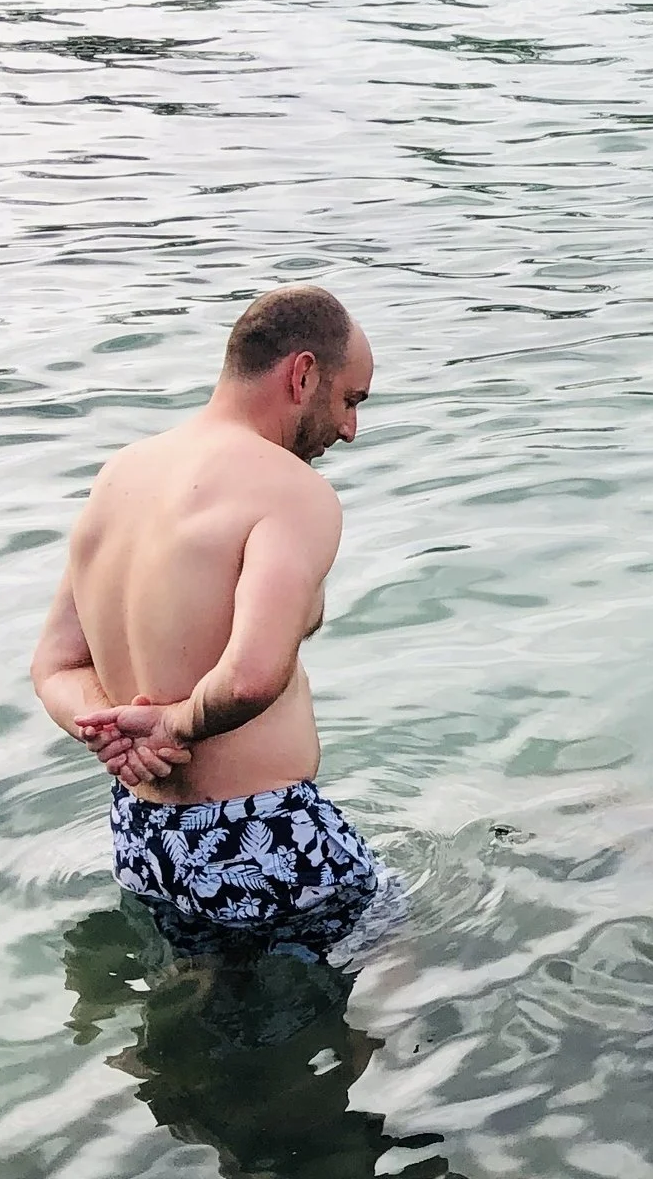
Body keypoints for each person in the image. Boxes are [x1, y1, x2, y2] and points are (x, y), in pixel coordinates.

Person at [29, 285, 388, 962]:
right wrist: (169, 726)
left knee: (201, 1022)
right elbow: (252, 677)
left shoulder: (122, 475)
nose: (349, 431)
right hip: (262, 837)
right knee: (407, 971)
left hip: (143, 836)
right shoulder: (290, 491)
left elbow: (56, 665)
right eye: (350, 401)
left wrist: (106, 730)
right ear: (302, 373)